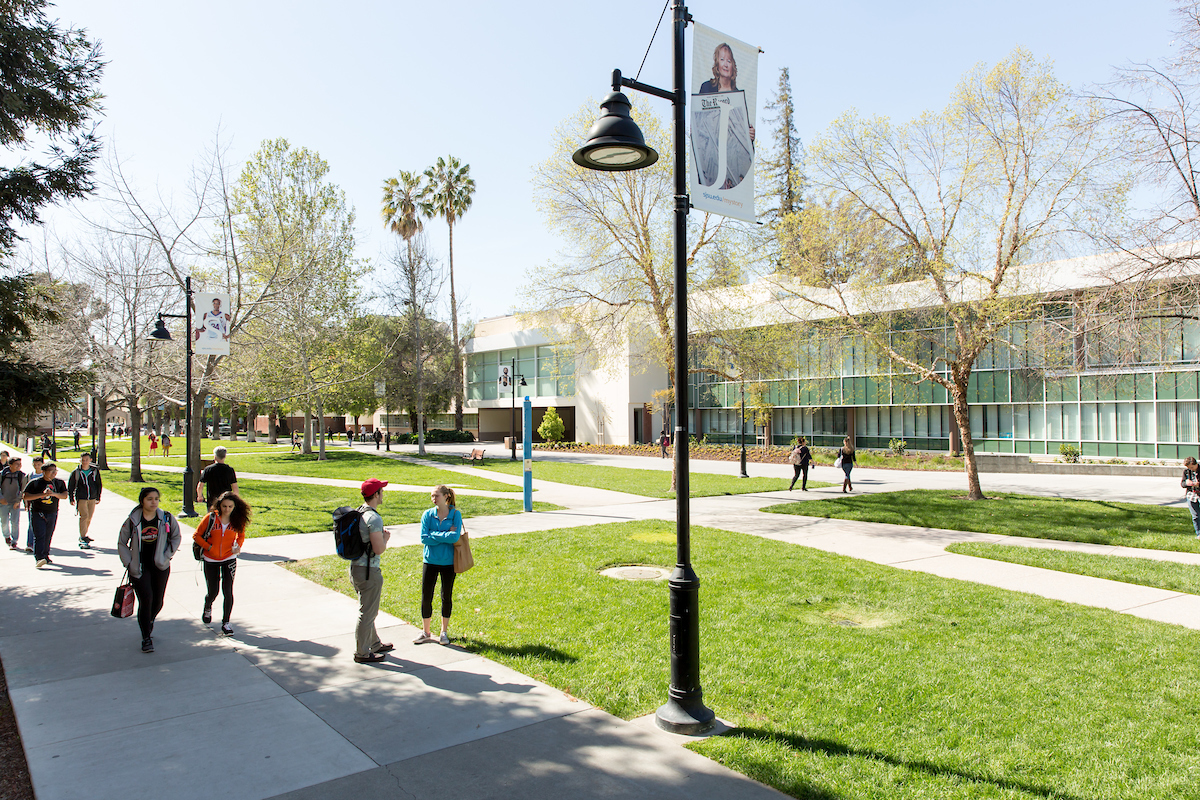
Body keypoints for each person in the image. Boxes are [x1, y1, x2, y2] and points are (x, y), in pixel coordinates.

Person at [117, 487, 182, 653]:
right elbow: (122, 542)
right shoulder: (133, 520)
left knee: (158, 601)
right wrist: (128, 563)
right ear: (142, 501)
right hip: (139, 567)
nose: (154, 502)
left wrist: (168, 555)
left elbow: (176, 536)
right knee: (146, 600)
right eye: (149, 499)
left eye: (156, 499)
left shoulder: (166, 518)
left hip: (160, 566)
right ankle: (146, 637)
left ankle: (149, 620)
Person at [193, 490, 249, 636]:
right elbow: (196, 535)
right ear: (219, 505)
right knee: (213, 591)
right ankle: (208, 606)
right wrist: (209, 547)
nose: (227, 509)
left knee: (228, 591)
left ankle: (226, 623)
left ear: (235, 507)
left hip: (229, 559)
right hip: (210, 559)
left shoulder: (238, 520)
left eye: (230, 507)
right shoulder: (210, 518)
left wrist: (238, 546)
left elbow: (241, 536)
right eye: (224, 506)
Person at [414, 485, 463, 647]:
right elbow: (424, 538)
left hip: (448, 562)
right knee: (426, 596)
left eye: (437, 496)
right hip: (430, 561)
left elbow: (454, 537)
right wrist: (444, 534)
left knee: (446, 596)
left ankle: (444, 632)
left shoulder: (455, 514)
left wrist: (434, 534)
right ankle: (426, 632)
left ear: (446, 496)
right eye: (432, 496)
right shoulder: (427, 515)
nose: (434, 499)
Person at [351, 478, 391, 663]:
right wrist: (385, 538)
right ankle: (362, 652)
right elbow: (378, 549)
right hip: (369, 572)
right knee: (367, 613)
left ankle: (374, 644)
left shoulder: (359, 512)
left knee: (368, 608)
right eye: (381, 490)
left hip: (356, 569)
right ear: (375, 494)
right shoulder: (374, 518)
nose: (383, 493)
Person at [22, 462, 68, 568]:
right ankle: (39, 558)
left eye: (55, 471)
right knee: (39, 536)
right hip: (38, 512)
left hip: (52, 512)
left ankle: (46, 555)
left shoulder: (59, 482)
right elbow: (26, 496)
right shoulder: (35, 483)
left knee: (48, 535)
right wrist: (42, 495)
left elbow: (64, 495)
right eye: (51, 471)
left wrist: (53, 494)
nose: (53, 473)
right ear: (44, 472)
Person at [67, 452, 103, 548]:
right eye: (83, 460)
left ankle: (84, 534)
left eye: (86, 460)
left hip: (92, 497)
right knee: (84, 516)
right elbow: (71, 486)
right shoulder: (76, 472)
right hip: (81, 497)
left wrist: (98, 496)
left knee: (89, 517)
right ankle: (82, 537)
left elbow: (99, 484)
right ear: (80, 460)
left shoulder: (94, 471)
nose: (84, 461)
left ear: (90, 460)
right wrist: (71, 498)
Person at [1, 455, 27, 550]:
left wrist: (18, 501)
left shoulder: (21, 475)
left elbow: (23, 490)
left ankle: (14, 540)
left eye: (20, 464)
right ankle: (7, 536)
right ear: (10, 465)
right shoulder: (2, 474)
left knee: (15, 522)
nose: (19, 466)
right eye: (16, 464)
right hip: (3, 502)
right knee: (4, 521)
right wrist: (1, 498)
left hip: (15, 502)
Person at [1183, 457, 1200, 538]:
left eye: (1192, 467)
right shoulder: (1186, 472)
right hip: (1191, 495)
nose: (1190, 469)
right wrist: (1186, 483)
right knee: (1195, 515)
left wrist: (1198, 484)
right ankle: (1199, 533)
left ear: (1196, 464)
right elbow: (1182, 484)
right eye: (1189, 468)